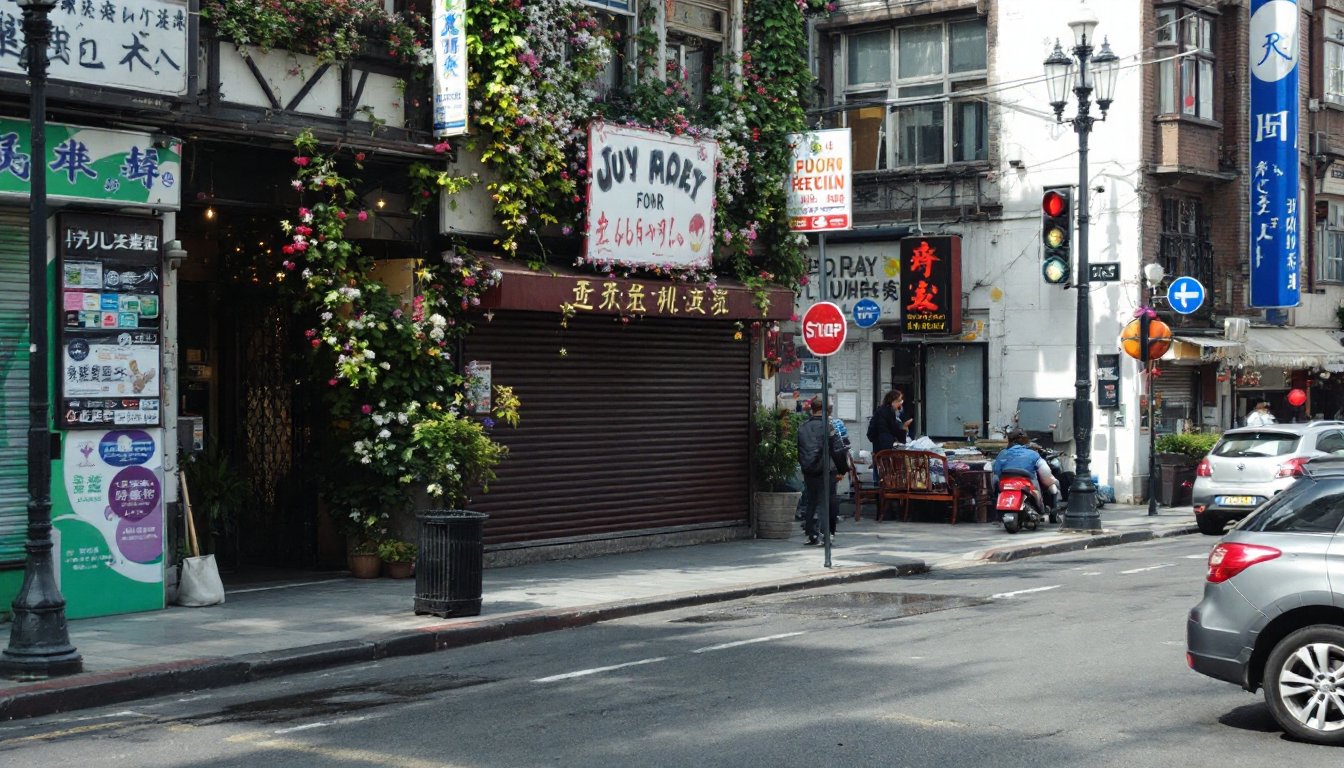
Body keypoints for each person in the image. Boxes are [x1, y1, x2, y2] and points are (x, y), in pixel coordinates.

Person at [797, 399, 849, 546]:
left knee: (812, 500)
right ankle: (826, 534)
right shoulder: (829, 427)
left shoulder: (803, 427)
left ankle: (811, 533)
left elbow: (799, 450)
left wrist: (805, 465)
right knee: (827, 501)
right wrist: (843, 469)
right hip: (826, 469)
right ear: (829, 410)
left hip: (809, 470)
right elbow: (838, 450)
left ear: (812, 409)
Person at [991, 428, 1061, 511]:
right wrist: (1054, 482)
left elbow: (996, 473)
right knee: (1050, 487)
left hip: (1005, 483)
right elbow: (1045, 474)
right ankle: (1045, 509)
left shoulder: (1002, 453)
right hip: (1028, 482)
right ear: (1025, 441)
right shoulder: (1033, 454)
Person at [867, 389, 913, 482]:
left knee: (879, 473)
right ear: (893, 401)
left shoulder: (883, 411)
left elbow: (872, 432)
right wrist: (903, 428)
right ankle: (882, 493)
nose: (901, 403)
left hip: (879, 447)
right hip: (884, 450)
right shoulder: (888, 412)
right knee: (884, 475)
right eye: (899, 400)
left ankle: (880, 491)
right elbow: (892, 430)